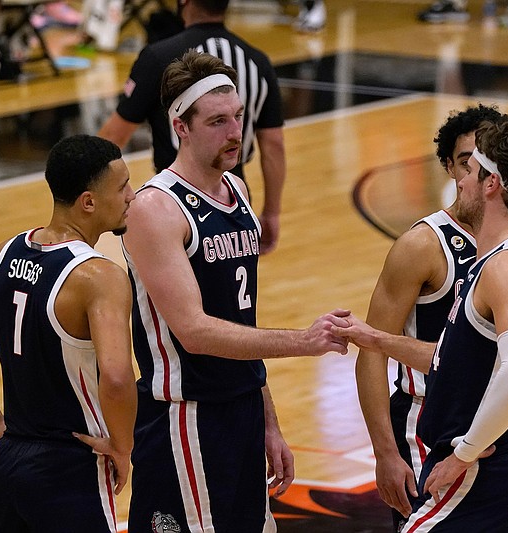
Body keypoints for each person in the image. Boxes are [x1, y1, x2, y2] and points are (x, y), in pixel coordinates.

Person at [122, 49, 349, 532]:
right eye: (217, 121)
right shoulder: (156, 210)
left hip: (241, 409)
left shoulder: (237, 192)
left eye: (239, 117)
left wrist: (268, 419)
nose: (234, 132)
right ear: (179, 127)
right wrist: (303, 342)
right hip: (185, 418)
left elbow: (239, 323)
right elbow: (196, 332)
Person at [338, 119, 508, 532]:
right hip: (490, 460)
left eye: (472, 170)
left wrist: (465, 454)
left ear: (491, 183)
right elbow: (458, 359)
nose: (461, 182)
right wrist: (374, 338)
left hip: (477, 467)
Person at [0, 134, 138, 532]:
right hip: (70, 470)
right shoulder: (99, 276)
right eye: (123, 187)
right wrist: (122, 447)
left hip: (8, 465)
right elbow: (118, 377)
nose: (132, 195)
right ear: (88, 202)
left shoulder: (6, 253)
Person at [354, 104, 508, 530]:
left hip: (500, 425)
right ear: (450, 168)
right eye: (466, 162)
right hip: (427, 425)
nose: (478, 174)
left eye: (487, 162)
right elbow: (370, 350)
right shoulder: (423, 245)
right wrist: (385, 453)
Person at [98, 0, 286, 254]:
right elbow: (273, 144)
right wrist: (272, 212)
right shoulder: (258, 60)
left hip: (174, 205)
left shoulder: (159, 57)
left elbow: (113, 135)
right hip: (236, 201)